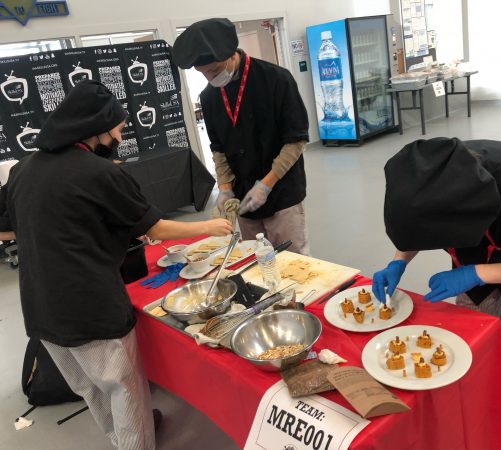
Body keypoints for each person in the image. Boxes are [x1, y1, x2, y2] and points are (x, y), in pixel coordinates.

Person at [0, 80, 232, 450]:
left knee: (91, 388)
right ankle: (135, 441)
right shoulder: (100, 173)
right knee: (125, 390)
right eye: (119, 129)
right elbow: (154, 228)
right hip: (91, 309)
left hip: (40, 309)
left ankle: (123, 437)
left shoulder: (23, 169)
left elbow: (7, 229)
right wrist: (210, 227)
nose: (120, 137)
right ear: (97, 128)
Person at [372, 138, 501, 428]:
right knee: (471, 331)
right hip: (477, 249)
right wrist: (398, 262)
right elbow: (418, 225)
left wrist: (474, 275)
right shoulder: (430, 184)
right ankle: (478, 394)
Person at [173, 18, 310, 255]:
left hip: (282, 192)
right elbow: (218, 148)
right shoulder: (209, 97)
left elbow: (295, 141)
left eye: (214, 70)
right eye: (203, 74)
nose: (210, 79)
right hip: (243, 195)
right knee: (254, 258)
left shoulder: (276, 79)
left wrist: (266, 185)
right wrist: (225, 188)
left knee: (293, 260)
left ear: (231, 54)